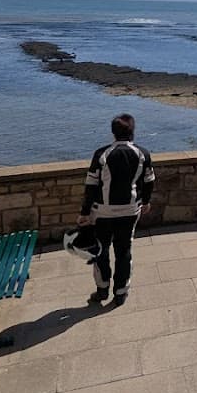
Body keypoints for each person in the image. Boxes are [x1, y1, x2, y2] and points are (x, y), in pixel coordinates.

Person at [77, 113, 154, 307]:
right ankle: (120, 292)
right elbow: (149, 181)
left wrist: (85, 212)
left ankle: (102, 289)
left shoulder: (102, 154)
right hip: (130, 210)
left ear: (113, 132)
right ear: (132, 131)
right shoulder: (142, 154)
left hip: (103, 212)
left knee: (100, 251)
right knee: (124, 250)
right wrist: (146, 201)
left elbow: (91, 186)